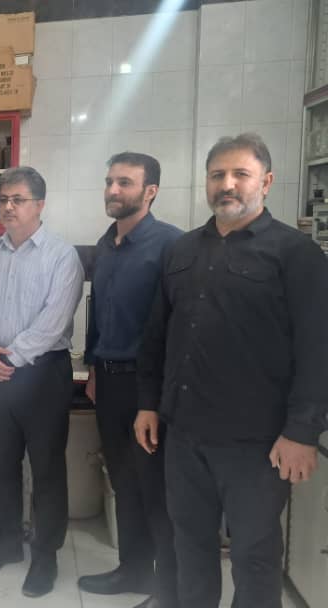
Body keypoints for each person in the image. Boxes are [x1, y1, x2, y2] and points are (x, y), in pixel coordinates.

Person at [137, 133, 328, 608]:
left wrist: (302, 432)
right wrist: (148, 404)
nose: (227, 184)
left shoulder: (296, 254)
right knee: (190, 546)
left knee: (254, 555)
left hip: (256, 445)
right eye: (217, 174)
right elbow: (158, 337)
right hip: (184, 436)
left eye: (240, 174)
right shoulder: (182, 251)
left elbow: (317, 349)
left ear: (266, 181)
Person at [0, 166, 84, 597]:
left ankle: (45, 556)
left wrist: (10, 357)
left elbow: (55, 321)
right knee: (2, 464)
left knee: (47, 469)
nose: (8, 207)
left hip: (42, 374)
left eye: (18, 199)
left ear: (39, 204)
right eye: (4, 200)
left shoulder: (61, 255)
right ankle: (7, 543)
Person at [79, 153, 183, 608]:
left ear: (150, 191)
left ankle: (169, 592)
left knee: (156, 491)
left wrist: (154, 398)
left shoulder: (171, 245)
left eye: (124, 182)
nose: (113, 190)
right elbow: (98, 312)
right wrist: (93, 367)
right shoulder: (106, 245)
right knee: (123, 482)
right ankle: (133, 571)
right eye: (109, 181)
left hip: (148, 388)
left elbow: (176, 327)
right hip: (109, 381)